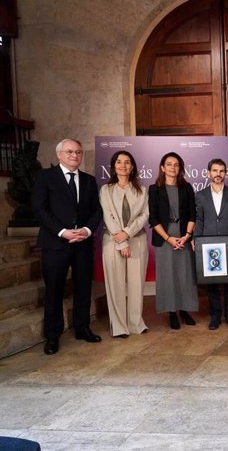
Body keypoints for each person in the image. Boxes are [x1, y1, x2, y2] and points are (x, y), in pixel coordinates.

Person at [31, 138, 103, 355]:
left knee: (83, 289)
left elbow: (96, 211)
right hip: (55, 244)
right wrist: (62, 232)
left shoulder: (89, 180)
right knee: (54, 291)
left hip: (82, 244)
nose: (75, 155)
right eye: (70, 152)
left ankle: (82, 328)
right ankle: (52, 336)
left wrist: (86, 231)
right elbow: (39, 209)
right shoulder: (45, 177)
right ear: (59, 155)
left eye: (78, 152)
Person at [99, 151, 149, 338]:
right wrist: (122, 241)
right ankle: (119, 326)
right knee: (116, 285)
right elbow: (108, 216)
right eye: (119, 162)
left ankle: (136, 323)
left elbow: (144, 215)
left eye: (127, 162)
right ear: (113, 166)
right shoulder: (106, 190)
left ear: (133, 166)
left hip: (137, 240)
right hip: (112, 242)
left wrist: (127, 234)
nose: (123, 165)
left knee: (137, 284)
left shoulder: (142, 190)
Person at [148, 152, 198, 329]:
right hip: (164, 236)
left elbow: (193, 213)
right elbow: (153, 219)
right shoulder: (154, 189)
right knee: (168, 276)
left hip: (184, 235)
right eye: (169, 164)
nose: (172, 168)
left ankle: (185, 309)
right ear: (162, 167)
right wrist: (169, 238)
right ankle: (171, 312)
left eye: (176, 164)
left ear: (180, 168)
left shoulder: (187, 188)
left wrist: (187, 235)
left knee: (185, 274)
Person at [194, 158, 228, 330]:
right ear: (208, 173)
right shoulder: (200, 195)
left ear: (225, 173)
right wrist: (197, 239)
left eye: (221, 171)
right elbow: (199, 219)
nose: (218, 174)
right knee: (211, 283)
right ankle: (215, 317)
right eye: (214, 171)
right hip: (208, 244)